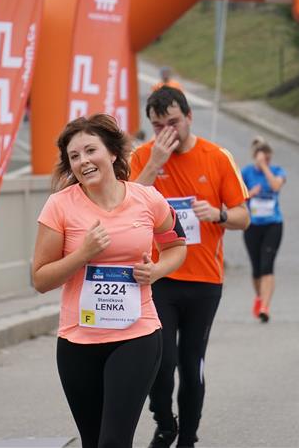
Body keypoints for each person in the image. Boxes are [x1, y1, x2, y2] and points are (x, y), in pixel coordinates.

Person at [32, 114, 187, 447]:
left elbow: (176, 246)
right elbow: (40, 279)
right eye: (74, 156)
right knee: (93, 442)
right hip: (77, 341)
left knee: (113, 442)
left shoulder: (147, 199)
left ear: (113, 153)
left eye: (91, 150)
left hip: (136, 334)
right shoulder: (59, 206)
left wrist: (157, 271)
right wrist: (83, 254)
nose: (83, 161)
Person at [130, 86, 249, 447]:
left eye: (173, 122)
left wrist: (218, 214)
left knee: (191, 363)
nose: (166, 132)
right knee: (160, 361)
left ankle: (188, 437)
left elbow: (243, 216)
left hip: (204, 281)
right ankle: (165, 423)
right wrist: (155, 164)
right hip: (160, 276)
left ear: (189, 117)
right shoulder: (143, 157)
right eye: (157, 126)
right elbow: (125, 206)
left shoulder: (217, 157)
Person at [241, 136, 286, 323]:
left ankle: (265, 307)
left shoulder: (277, 171)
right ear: (254, 156)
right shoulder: (246, 172)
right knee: (256, 268)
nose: (265, 160)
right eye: (262, 157)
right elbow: (236, 196)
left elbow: (275, 186)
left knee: (267, 265)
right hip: (252, 225)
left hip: (273, 224)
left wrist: (265, 168)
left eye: (268, 157)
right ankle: (260, 297)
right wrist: (250, 193)